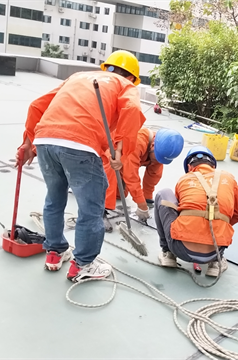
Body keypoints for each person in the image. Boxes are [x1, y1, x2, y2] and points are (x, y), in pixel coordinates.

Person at [16, 50, 146, 283]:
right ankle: (84, 264)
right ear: (132, 77)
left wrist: (28, 143)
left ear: (107, 67)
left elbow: (37, 105)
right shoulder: (126, 86)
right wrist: (120, 151)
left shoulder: (78, 77)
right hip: (81, 145)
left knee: (54, 199)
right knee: (91, 208)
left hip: (45, 140)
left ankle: (55, 253)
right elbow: (132, 111)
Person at [154, 146, 238, 277]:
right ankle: (215, 262)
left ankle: (168, 254)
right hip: (215, 250)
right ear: (213, 165)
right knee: (221, 217)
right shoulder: (228, 178)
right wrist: (218, 225)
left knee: (163, 194)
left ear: (189, 167)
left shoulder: (184, 179)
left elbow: (179, 212)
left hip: (180, 249)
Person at [102, 127, 184, 231]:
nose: (157, 161)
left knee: (120, 195)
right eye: (156, 157)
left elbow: (153, 175)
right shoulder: (137, 142)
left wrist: (146, 199)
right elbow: (131, 176)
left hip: (124, 163)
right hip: (109, 158)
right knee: (110, 172)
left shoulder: (159, 152)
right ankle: (99, 212)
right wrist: (141, 204)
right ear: (153, 145)